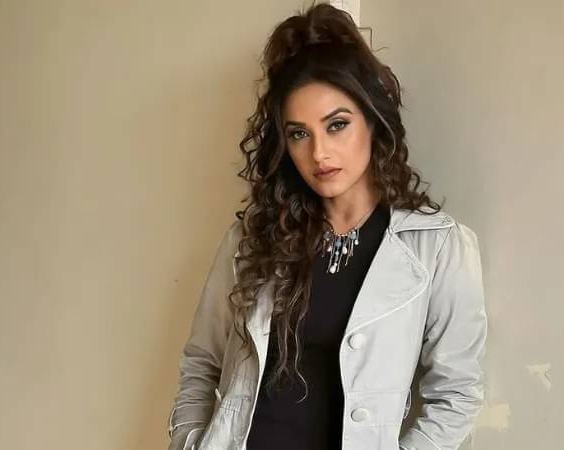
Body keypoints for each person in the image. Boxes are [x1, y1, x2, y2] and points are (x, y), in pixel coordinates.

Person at [166, 3, 487, 450]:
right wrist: (189, 442)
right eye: (299, 133)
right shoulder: (252, 239)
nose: (319, 153)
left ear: (373, 121)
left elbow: (456, 396)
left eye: (337, 125)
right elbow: (201, 363)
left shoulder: (436, 246)